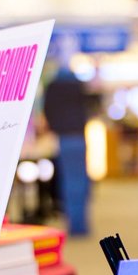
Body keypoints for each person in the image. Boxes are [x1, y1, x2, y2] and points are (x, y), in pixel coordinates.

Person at [42, 64, 96, 237]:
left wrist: (55, 127)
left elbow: (47, 110)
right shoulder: (78, 85)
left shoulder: (52, 86)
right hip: (79, 137)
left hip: (63, 139)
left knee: (67, 181)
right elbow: (90, 106)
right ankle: (82, 224)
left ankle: (73, 224)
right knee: (81, 180)